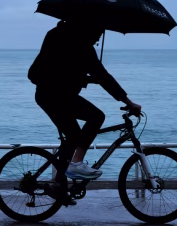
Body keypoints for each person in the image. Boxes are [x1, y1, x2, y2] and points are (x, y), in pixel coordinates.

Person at [28, 21, 141, 203]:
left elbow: (60, 67)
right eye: (98, 32)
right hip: (56, 96)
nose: (99, 37)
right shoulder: (81, 45)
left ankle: (58, 185)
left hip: (48, 94)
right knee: (97, 116)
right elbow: (102, 76)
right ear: (88, 28)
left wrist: (85, 78)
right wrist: (128, 102)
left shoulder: (56, 34)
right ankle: (76, 164)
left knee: (73, 137)